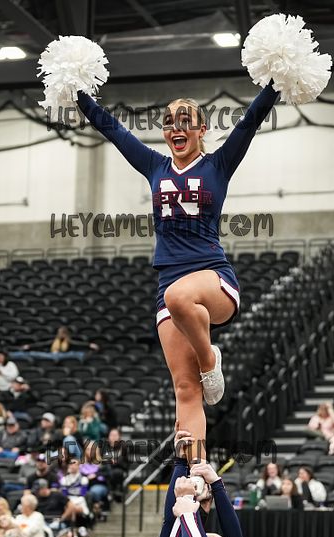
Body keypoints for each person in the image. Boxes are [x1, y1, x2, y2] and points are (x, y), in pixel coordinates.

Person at [77, 79, 280, 465]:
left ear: (201, 129)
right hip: (169, 284)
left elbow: (251, 119)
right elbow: (113, 130)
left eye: (185, 121)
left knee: (179, 297)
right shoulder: (155, 166)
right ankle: (194, 470)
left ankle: (210, 359)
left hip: (213, 279)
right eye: (169, 122)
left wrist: (275, 82)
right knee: (185, 390)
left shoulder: (218, 164)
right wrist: (78, 94)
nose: (176, 128)